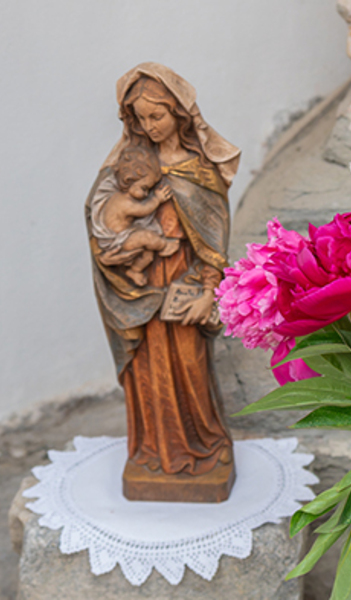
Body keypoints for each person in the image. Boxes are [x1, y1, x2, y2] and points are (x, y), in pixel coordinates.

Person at [85, 63, 241, 492]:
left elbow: (213, 238)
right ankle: (153, 452)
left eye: (157, 115)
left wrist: (208, 291)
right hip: (140, 289)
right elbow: (100, 221)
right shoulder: (127, 168)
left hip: (184, 282)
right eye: (141, 118)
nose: (150, 126)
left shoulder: (198, 170)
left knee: (190, 366)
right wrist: (117, 248)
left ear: (179, 113)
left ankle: (205, 444)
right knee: (147, 371)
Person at [91, 145, 179, 287]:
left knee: (148, 255)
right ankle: (164, 245)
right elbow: (144, 209)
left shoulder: (119, 195)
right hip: (118, 241)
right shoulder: (124, 202)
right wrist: (157, 199)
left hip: (126, 235)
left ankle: (135, 270)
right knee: (147, 237)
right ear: (130, 179)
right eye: (144, 188)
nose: (146, 194)